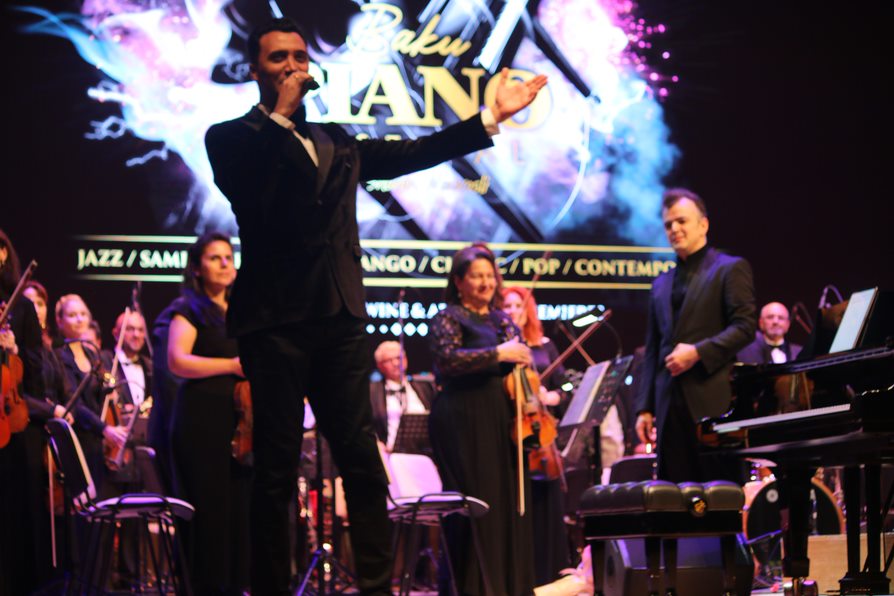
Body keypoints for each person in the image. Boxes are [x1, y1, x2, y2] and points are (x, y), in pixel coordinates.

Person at [203, 17, 547, 594]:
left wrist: (490, 116)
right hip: (275, 323)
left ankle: (375, 587)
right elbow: (249, 190)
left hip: (338, 320)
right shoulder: (232, 138)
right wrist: (281, 114)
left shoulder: (336, 140)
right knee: (276, 468)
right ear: (255, 68)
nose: (291, 67)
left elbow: (414, 152)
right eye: (278, 58)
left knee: (362, 462)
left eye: (299, 57)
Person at [429, 245, 535, 595]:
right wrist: (498, 353)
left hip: (500, 418)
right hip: (462, 419)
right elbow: (447, 360)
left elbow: (519, 362)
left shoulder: (502, 320)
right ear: (459, 281)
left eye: (490, 275)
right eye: (476, 276)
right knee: (475, 503)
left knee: (506, 504)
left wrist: (521, 358)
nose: (486, 282)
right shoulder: (448, 317)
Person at [634, 188, 756, 483]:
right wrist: (644, 408)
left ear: (703, 224)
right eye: (668, 224)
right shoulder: (660, 283)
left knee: (721, 494)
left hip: (713, 402)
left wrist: (698, 352)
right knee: (672, 496)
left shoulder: (729, 268)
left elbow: (745, 326)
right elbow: (653, 350)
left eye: (681, 221)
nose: (674, 229)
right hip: (669, 407)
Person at [165, 232, 250, 594]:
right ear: (197, 268)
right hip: (200, 421)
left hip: (238, 422)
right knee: (208, 509)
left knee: (237, 507)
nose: (225, 263)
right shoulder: (189, 308)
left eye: (229, 257)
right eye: (215, 258)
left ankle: (233, 586)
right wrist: (230, 365)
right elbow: (177, 361)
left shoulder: (241, 310)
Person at [500, 285, 571, 586]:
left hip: (541, 431)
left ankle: (550, 575)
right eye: (507, 306)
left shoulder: (545, 345)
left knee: (548, 503)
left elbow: (565, 386)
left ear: (527, 309)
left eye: (518, 305)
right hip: (511, 433)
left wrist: (551, 397)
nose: (513, 311)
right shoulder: (502, 346)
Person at [369, 340, 434, 452]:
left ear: (405, 360)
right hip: (389, 455)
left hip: (424, 454)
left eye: (398, 358)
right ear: (379, 366)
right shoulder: (372, 391)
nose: (395, 363)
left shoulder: (425, 387)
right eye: (389, 360)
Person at [737, 301, 802, 364]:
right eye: (770, 317)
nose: (775, 322)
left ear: (788, 324)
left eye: (781, 318)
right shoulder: (746, 352)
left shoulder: (799, 352)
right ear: (761, 323)